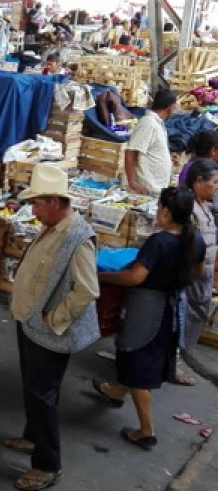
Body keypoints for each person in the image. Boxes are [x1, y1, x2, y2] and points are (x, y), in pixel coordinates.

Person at [5, 163, 100, 491]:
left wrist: (55, 319)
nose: (34, 210)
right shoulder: (51, 225)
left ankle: (47, 465)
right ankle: (33, 436)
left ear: (57, 202)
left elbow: (87, 290)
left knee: (43, 393)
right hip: (28, 322)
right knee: (33, 386)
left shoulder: (78, 237)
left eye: (38, 203)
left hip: (48, 330)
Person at [93, 187, 205, 450]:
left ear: (165, 211)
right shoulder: (195, 239)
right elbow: (198, 272)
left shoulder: (160, 242)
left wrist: (103, 276)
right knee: (147, 354)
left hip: (148, 307)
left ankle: (146, 430)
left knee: (136, 359)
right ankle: (115, 391)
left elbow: (135, 277)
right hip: (174, 307)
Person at [183, 160, 218, 351]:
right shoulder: (189, 207)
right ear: (198, 181)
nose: (216, 187)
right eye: (214, 182)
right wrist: (198, 268)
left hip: (205, 273)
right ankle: (178, 358)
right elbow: (190, 243)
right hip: (195, 272)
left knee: (198, 312)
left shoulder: (205, 205)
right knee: (191, 313)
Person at [125, 89, 176, 195]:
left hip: (155, 188)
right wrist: (132, 182)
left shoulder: (158, 124)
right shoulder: (148, 123)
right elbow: (131, 151)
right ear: (170, 108)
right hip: (147, 188)